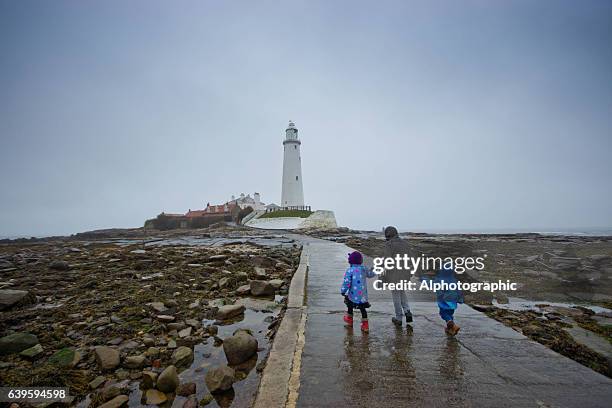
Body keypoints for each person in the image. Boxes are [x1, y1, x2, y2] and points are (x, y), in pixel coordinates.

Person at [382, 226, 414, 326]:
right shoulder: (405, 243)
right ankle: (407, 311)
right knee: (402, 292)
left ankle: (399, 318)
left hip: (394, 273)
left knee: (395, 294)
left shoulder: (389, 244)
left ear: (388, 234)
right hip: (405, 272)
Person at [421, 265, 464, 335]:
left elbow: (431, 284)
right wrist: (460, 299)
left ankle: (453, 326)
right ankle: (450, 329)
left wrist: (424, 279)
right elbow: (458, 290)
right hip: (453, 300)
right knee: (450, 314)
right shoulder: (453, 279)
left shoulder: (440, 279)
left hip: (444, 300)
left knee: (443, 314)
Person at [341, 251, 376, 332]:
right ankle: (365, 326)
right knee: (363, 309)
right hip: (362, 296)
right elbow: (370, 274)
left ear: (351, 261)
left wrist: (343, 291)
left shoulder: (350, 270)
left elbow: (347, 282)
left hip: (352, 295)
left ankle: (349, 321)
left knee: (349, 306)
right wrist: (375, 270)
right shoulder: (363, 269)